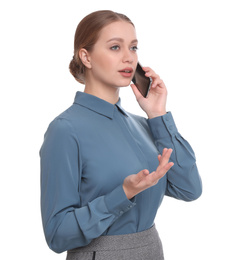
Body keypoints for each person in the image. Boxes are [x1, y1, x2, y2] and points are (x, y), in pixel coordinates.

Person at [40, 10, 202, 260]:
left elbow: (189, 189)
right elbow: (57, 235)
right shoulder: (65, 130)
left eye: (134, 47)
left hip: (151, 251)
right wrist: (122, 194)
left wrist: (158, 116)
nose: (129, 57)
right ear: (86, 57)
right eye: (115, 47)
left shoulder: (144, 126)